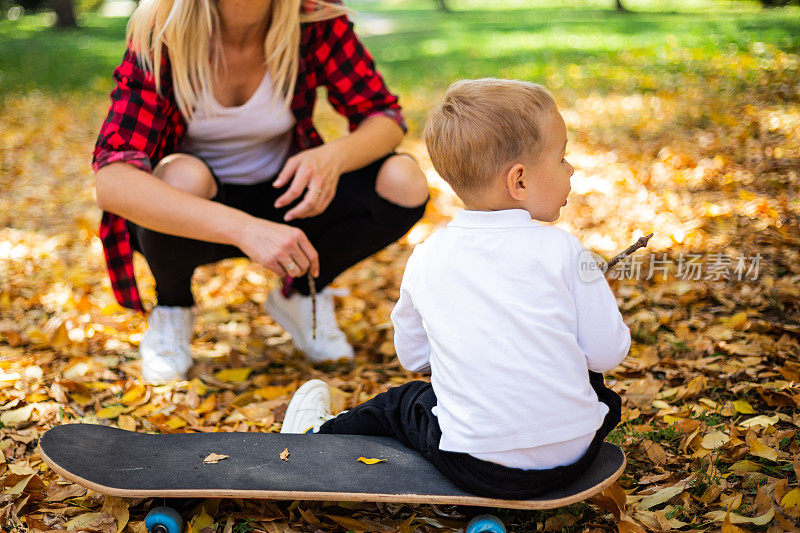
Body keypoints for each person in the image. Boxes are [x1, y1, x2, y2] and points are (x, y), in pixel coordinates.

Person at [280, 79, 631, 499]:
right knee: (597, 390)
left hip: (476, 467)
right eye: (562, 158)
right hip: (575, 457)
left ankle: (316, 435)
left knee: (403, 404)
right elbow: (607, 353)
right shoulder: (565, 250)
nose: (570, 169)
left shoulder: (429, 257)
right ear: (518, 181)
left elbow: (413, 358)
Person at [91, 0, 429, 383]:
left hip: (289, 197)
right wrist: (244, 229)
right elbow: (112, 179)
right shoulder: (163, 30)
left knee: (405, 177)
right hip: (201, 212)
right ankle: (172, 308)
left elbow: (384, 117)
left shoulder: (314, 20)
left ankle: (300, 294)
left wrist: (332, 157)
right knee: (177, 176)